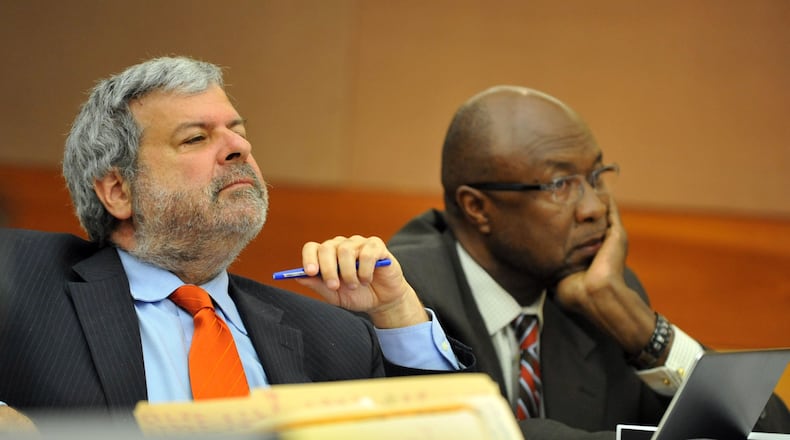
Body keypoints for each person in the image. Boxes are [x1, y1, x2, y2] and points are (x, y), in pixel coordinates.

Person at [0, 56, 475, 434]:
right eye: (196, 138)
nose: (238, 149)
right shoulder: (20, 279)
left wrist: (396, 314)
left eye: (238, 132)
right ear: (119, 191)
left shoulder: (334, 338)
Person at [388, 85, 790, 438]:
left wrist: (641, 329)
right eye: (560, 185)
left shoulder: (602, 296)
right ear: (477, 207)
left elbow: (771, 431)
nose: (595, 207)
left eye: (597, 176)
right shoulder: (398, 302)